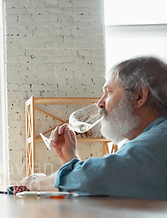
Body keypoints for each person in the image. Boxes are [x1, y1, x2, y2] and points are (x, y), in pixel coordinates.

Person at [21, 56, 167, 201]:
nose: (100, 103)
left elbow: (92, 178)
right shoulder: (151, 141)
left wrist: (35, 183)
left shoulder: (159, 139)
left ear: (139, 96)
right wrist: (69, 159)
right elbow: (109, 185)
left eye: (109, 92)